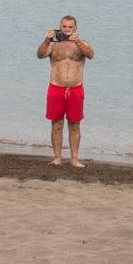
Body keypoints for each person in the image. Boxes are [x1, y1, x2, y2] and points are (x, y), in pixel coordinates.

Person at [38, 15, 93, 168]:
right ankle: (57, 157)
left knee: (75, 124)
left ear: (75, 28)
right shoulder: (54, 44)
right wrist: (47, 40)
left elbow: (90, 55)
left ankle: (74, 158)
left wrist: (78, 42)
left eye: (70, 27)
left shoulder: (82, 43)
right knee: (56, 124)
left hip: (75, 88)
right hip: (56, 87)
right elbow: (40, 55)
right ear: (60, 27)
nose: (67, 29)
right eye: (64, 27)